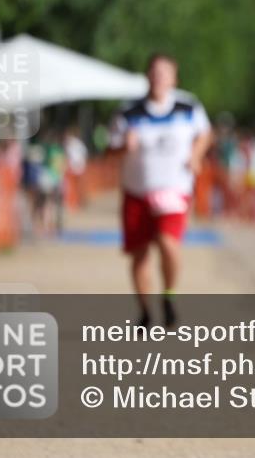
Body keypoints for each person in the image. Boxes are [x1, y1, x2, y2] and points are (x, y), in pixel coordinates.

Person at [107, 54, 213, 328]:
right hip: (137, 190)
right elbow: (109, 150)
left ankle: (168, 295)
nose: (159, 78)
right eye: (154, 73)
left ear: (174, 78)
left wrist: (196, 154)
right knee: (140, 253)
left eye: (165, 73)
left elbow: (204, 134)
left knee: (168, 243)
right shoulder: (128, 112)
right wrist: (123, 146)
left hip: (174, 188)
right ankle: (145, 312)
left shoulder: (187, 106)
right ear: (147, 77)